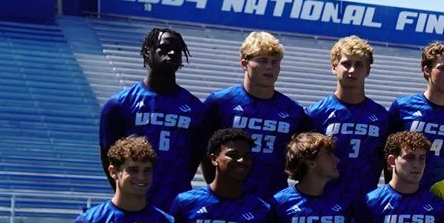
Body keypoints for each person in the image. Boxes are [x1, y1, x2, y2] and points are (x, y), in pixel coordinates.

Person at [194, 32, 310, 203]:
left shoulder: (293, 110)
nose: (269, 67)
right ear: (244, 63)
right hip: (228, 199)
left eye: (274, 61)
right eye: (262, 60)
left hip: (273, 200)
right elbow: (204, 153)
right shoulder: (220, 103)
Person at [97, 26, 202, 201]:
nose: (172, 53)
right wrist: (126, 194)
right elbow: (108, 156)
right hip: (134, 202)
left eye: (177, 50)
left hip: (176, 202)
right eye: (165, 47)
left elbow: (195, 158)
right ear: (148, 51)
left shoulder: (195, 108)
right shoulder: (119, 105)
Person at [308, 35, 389, 207]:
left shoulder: (382, 116)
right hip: (324, 203)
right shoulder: (315, 113)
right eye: (346, 64)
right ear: (334, 67)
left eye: (359, 64)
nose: (352, 70)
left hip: (366, 203)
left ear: (368, 70)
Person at [386, 41, 444, 184]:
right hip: (410, 193)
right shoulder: (403, 107)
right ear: (427, 70)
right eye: (443, 68)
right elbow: (388, 156)